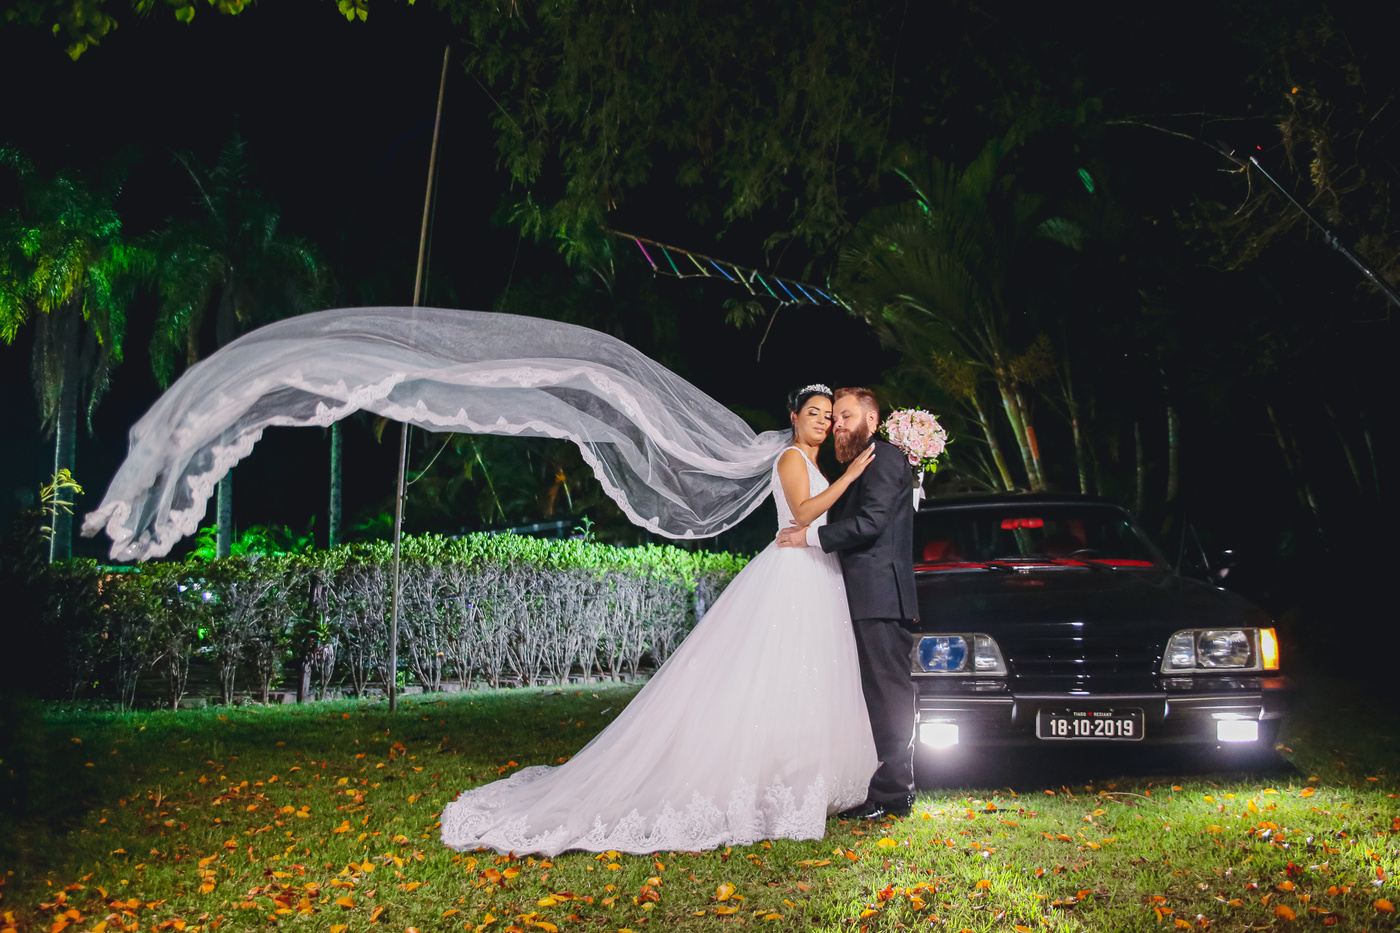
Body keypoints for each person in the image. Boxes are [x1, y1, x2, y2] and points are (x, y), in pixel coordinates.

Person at [439, 384, 879, 856]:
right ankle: (768, 783)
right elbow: (804, 512)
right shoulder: (791, 458)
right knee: (774, 672)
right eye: (814, 412)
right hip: (792, 573)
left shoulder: (815, 464)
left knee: (806, 674)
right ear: (793, 417)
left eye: (829, 415)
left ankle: (803, 777)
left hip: (816, 569)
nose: (823, 421)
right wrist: (851, 476)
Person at [777, 387, 918, 819]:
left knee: (888, 693)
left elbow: (872, 522)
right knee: (868, 694)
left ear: (872, 420)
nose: (836, 424)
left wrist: (811, 537)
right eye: (833, 418)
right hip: (856, 595)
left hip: (879, 596)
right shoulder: (859, 463)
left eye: (845, 416)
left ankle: (895, 793)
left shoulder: (883, 458)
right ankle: (871, 785)